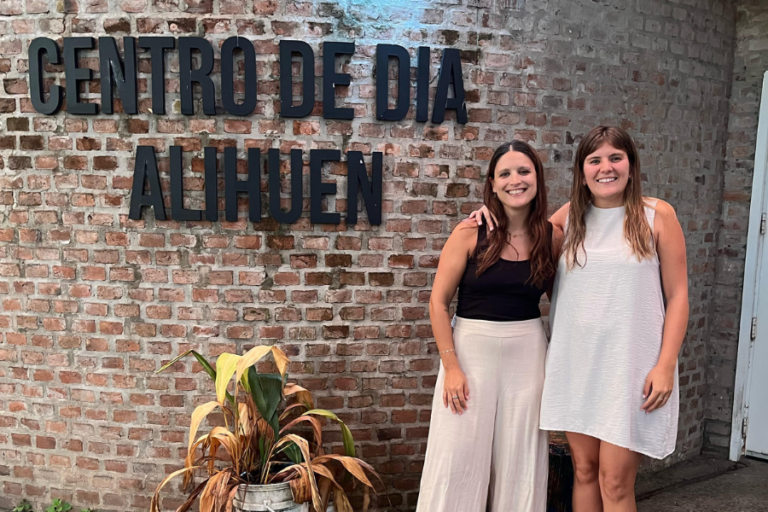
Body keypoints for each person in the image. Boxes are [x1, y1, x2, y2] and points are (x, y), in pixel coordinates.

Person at [469, 126, 689, 512]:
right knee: (584, 471)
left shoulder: (657, 216)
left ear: (631, 166)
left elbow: (678, 296)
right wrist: (489, 211)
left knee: (615, 481)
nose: (606, 168)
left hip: (630, 368)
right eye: (595, 160)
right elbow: (520, 226)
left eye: (616, 158)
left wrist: (666, 364)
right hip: (576, 365)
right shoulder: (569, 218)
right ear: (582, 171)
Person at [416, 140, 561, 512]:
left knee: (520, 462)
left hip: (527, 356)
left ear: (538, 178)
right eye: (505, 173)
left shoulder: (551, 237)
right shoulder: (469, 232)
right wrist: (451, 367)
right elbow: (437, 303)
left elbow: (564, 299)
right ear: (493, 185)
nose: (516, 180)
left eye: (524, 171)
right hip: (470, 354)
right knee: (456, 459)